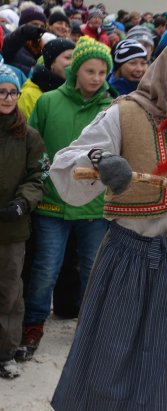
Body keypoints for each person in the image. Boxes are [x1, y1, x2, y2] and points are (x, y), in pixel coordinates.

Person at [48, 32, 167, 410]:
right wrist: (101, 163)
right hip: (128, 261)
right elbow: (66, 170)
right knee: (111, 365)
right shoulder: (127, 114)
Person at [17, 36, 117, 362]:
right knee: (46, 268)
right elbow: (31, 147)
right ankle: (33, 323)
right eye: (90, 70)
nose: (97, 78)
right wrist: (44, 174)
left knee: (93, 268)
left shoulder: (112, 108)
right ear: (75, 71)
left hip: (93, 206)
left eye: (103, 72)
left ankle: (91, 329)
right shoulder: (48, 103)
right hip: (52, 203)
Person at [0, 63, 46, 380]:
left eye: (12, 91)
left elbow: (38, 175)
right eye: (1, 91)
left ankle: (5, 351)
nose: (7, 97)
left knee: (9, 291)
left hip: (12, 228)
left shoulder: (28, 135)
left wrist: (23, 202)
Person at [18, 37, 75, 118]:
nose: (73, 63)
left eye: (75, 58)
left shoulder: (76, 90)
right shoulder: (29, 95)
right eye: (67, 58)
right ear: (52, 62)